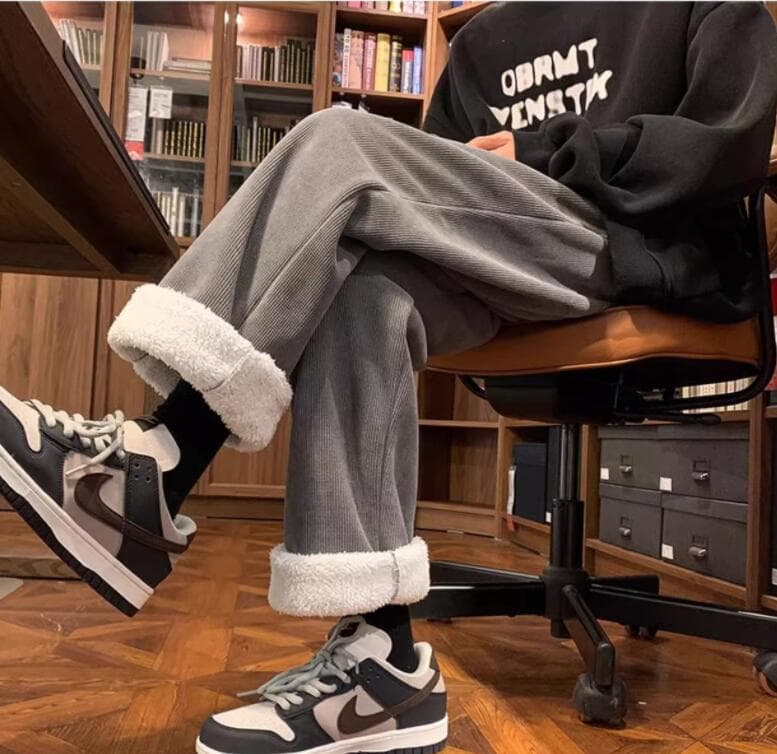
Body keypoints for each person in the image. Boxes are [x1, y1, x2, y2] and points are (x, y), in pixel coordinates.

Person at [1, 3, 775, 753]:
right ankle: (384, 666)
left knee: (342, 141)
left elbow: (726, 143)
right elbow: (426, 188)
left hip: (636, 248)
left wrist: (540, 154)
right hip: (505, 257)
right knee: (364, 290)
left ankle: (159, 464)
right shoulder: (484, 40)